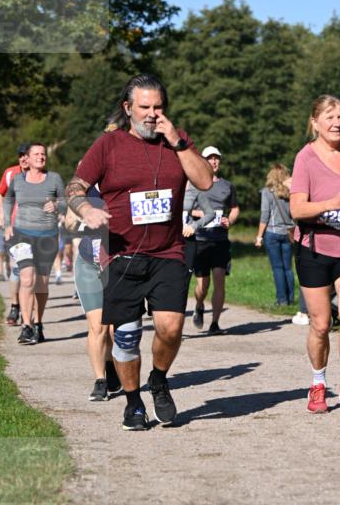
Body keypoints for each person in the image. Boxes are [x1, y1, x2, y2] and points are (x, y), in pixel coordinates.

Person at [66, 73, 213, 431]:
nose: (152, 114)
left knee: (171, 326)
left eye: (158, 107)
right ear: (127, 108)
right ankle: (133, 402)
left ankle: (159, 379)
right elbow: (76, 186)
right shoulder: (108, 145)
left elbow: (206, 180)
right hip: (123, 254)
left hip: (168, 251)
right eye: (144, 107)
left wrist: (176, 140)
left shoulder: (176, 142)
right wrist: (85, 209)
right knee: (127, 336)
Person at [290, 94, 340, 417]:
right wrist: (330, 204)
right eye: (329, 117)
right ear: (315, 123)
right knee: (321, 324)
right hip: (314, 247)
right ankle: (318, 383)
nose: (337, 122)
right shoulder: (305, 158)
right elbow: (297, 208)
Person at [4, 144, 66, 345]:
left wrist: (57, 205)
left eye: (43, 154)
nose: (41, 157)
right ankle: (27, 326)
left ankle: (38, 324)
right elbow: (7, 199)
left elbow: (66, 201)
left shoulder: (54, 178)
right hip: (22, 234)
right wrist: (6, 224)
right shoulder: (18, 180)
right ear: (27, 160)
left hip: (47, 236)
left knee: (41, 283)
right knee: (27, 277)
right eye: (36, 154)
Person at [66, 185, 121, 403]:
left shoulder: (122, 183)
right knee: (98, 326)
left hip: (116, 263)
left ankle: (110, 363)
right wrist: (85, 221)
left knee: (114, 329)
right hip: (89, 263)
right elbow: (69, 223)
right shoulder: (85, 189)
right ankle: (100, 381)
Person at [185, 147, 239, 335]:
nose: (214, 162)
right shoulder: (193, 184)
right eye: (210, 158)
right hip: (200, 239)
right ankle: (199, 305)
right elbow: (183, 208)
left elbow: (234, 208)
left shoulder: (227, 186)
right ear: (203, 161)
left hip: (220, 239)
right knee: (203, 285)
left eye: (217, 158)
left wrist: (229, 220)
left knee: (219, 280)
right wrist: (196, 213)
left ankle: (215, 323)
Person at [0, 143, 31, 325]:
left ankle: (28, 312)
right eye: (21, 155)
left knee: (32, 271)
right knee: (17, 266)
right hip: (15, 227)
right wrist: (2, 213)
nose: (24, 158)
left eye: (26, 155)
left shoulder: (41, 174)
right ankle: (15, 306)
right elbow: (0, 193)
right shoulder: (10, 173)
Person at [255, 164, 297, 306]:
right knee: (288, 268)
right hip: (288, 233)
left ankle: (282, 300)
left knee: (277, 268)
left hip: (272, 233)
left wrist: (259, 236)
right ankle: (290, 299)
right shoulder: (290, 193)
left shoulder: (267, 192)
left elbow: (264, 215)